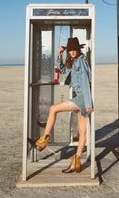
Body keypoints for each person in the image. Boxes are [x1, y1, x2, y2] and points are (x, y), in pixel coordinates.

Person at [32, 37, 93, 173]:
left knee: (53, 108)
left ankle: (44, 138)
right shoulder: (74, 62)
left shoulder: (80, 62)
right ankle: (76, 161)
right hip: (82, 99)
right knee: (82, 131)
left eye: (74, 49)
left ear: (78, 50)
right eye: (70, 50)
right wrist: (59, 55)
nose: (72, 52)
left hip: (82, 99)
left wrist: (88, 103)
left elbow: (84, 83)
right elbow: (61, 70)